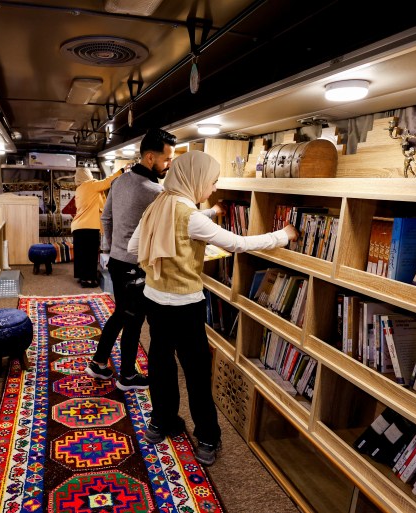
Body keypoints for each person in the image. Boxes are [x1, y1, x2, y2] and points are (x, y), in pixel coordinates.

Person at [127, 150, 298, 466]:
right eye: (212, 181)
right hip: (184, 306)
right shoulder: (189, 216)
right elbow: (237, 244)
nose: (214, 188)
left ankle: (160, 422)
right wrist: (282, 236)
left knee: (160, 363)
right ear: (195, 179)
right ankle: (207, 438)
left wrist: (175, 248)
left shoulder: (158, 205)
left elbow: (134, 247)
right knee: (196, 372)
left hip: (154, 299)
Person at [85, 128, 177, 391]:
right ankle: (127, 376)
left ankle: (99, 362)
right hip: (135, 266)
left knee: (122, 314)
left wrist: (107, 250)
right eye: (167, 159)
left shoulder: (119, 181)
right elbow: (181, 217)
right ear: (150, 158)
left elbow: (106, 218)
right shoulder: (154, 190)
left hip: (116, 261)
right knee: (133, 319)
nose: (169, 165)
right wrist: (213, 211)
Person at [71, 166, 122, 287]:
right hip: (90, 226)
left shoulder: (79, 189)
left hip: (78, 227)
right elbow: (107, 182)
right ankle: (89, 280)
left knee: (81, 254)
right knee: (91, 254)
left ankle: (82, 277)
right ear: (88, 175)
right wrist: (121, 171)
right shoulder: (91, 184)